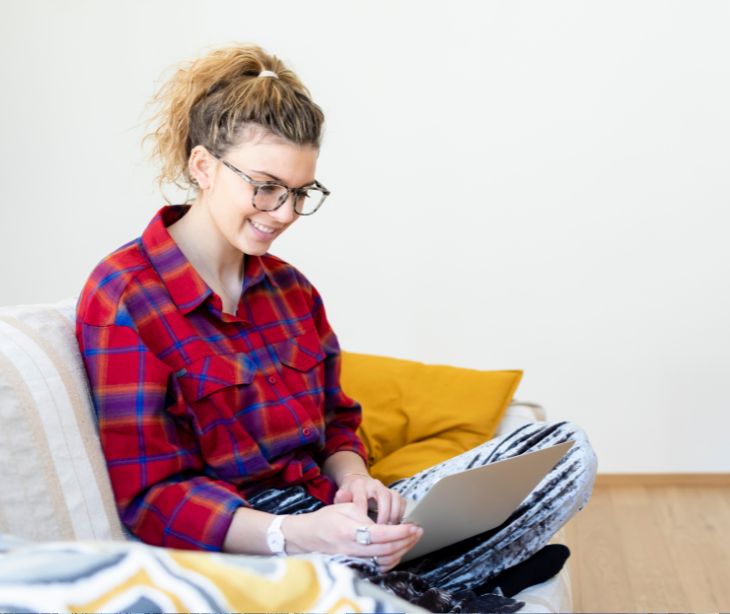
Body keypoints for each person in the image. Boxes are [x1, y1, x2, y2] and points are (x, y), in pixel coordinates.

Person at [76, 43, 597, 611]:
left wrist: (355, 481)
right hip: (248, 545)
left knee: (568, 449)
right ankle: (445, 585)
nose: (285, 213)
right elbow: (152, 498)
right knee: (348, 553)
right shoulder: (126, 295)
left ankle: (417, 584)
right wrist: (297, 534)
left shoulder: (290, 290)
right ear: (203, 167)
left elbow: (337, 424)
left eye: (301, 192)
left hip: (336, 523)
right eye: (267, 186)